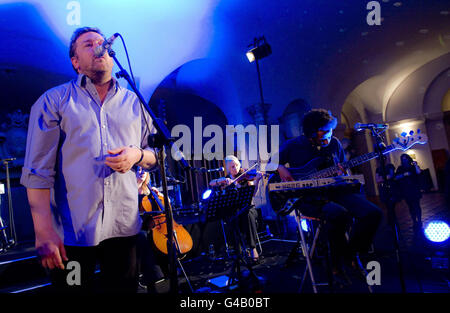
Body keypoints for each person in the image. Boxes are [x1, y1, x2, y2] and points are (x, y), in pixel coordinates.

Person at [20, 27, 157, 293]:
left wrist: (137, 155)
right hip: (73, 233)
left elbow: (155, 156)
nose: (98, 46)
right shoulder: (54, 101)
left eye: (101, 42)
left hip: (123, 227)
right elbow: (37, 172)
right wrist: (44, 231)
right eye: (88, 44)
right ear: (75, 62)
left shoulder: (135, 102)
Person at [276, 109, 382, 281]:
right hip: (308, 197)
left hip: (335, 191)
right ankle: (335, 264)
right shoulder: (293, 145)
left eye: (330, 130)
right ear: (310, 132)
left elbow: (342, 168)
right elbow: (269, 163)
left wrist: (343, 172)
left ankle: (350, 253)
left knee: (374, 213)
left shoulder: (334, 143)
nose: (328, 135)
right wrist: (280, 167)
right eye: (323, 131)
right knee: (338, 214)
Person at [210, 155, 262, 262]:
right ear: (228, 168)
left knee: (247, 214)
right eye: (232, 167)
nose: (236, 169)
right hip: (234, 212)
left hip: (248, 209)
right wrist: (223, 180)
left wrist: (256, 181)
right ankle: (239, 251)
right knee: (232, 219)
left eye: (237, 165)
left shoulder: (246, 176)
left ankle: (253, 248)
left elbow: (253, 194)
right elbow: (211, 183)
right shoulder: (226, 180)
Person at [395, 154, 423, 232]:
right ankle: (414, 221)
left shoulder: (413, 166)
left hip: (414, 189)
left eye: (406, 158)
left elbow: (419, 172)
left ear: (408, 158)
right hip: (406, 190)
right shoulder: (400, 168)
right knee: (410, 207)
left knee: (417, 205)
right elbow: (396, 177)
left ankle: (420, 220)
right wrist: (404, 174)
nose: (404, 160)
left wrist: (416, 165)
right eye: (403, 159)